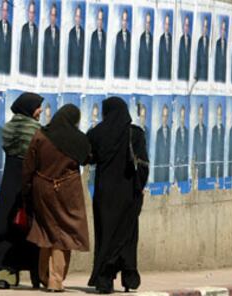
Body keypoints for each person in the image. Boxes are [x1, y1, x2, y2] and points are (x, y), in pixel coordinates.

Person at [0, 92, 43, 289]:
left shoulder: (10, 127)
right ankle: (34, 274)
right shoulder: (35, 130)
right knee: (27, 226)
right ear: (29, 108)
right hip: (27, 178)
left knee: (4, 223)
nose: (39, 111)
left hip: (10, 179)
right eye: (37, 107)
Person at [23, 104, 90, 292]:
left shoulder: (41, 135)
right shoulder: (78, 139)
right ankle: (55, 280)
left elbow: (29, 165)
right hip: (69, 191)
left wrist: (26, 189)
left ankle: (44, 276)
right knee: (63, 234)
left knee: (46, 231)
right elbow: (87, 158)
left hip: (42, 189)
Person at [87, 97, 149, 294]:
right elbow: (144, 166)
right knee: (127, 236)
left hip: (105, 196)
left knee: (106, 236)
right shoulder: (135, 134)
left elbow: (90, 158)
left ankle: (105, 280)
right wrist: (139, 188)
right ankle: (129, 279)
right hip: (128, 194)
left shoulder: (96, 133)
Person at [0, 0, 12, 74]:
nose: (4, 13)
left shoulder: (10, 28)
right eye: (3, 10)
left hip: (7, 69)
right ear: (1, 11)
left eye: (6, 10)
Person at [19, 1, 38, 76]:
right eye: (30, 12)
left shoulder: (37, 30)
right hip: (25, 70)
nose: (31, 15)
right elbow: (22, 50)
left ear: (35, 14)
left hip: (34, 72)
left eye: (33, 12)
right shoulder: (24, 28)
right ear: (28, 13)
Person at [43, 3, 60, 77]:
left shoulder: (59, 32)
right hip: (47, 71)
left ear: (56, 17)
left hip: (56, 72)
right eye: (51, 15)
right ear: (49, 16)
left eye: (54, 15)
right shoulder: (46, 32)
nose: (53, 17)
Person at [154, 104, 170, 182]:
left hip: (168, 171)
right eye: (163, 116)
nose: (165, 118)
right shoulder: (158, 133)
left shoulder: (171, 132)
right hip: (160, 171)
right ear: (161, 116)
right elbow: (157, 155)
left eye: (166, 116)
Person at [67, 5, 84, 77]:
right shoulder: (71, 33)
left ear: (81, 19)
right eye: (77, 16)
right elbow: (69, 54)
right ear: (74, 17)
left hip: (80, 72)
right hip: (72, 71)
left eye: (79, 16)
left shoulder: (83, 33)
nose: (78, 18)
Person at [89, 8, 106, 79]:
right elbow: (91, 57)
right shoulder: (93, 35)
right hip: (94, 74)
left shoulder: (105, 35)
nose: (100, 22)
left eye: (101, 19)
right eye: (98, 19)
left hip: (102, 75)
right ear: (96, 20)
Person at [114, 9, 131, 79]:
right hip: (119, 73)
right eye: (123, 20)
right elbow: (116, 56)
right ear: (121, 21)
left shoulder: (130, 36)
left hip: (127, 74)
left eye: (126, 20)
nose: (124, 22)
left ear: (127, 22)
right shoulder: (118, 36)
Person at [174, 106, 188, 182]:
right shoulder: (177, 132)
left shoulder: (187, 132)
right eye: (181, 117)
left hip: (185, 163)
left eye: (183, 117)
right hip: (179, 165)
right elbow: (176, 148)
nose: (182, 119)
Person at [210, 104, 225, 178]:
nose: (219, 117)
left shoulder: (224, 130)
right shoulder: (213, 130)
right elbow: (212, 148)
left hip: (222, 161)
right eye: (218, 114)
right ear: (216, 115)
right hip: (214, 160)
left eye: (220, 114)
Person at [193, 104, 207, 179]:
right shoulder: (195, 130)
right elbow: (194, 148)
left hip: (204, 161)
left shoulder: (205, 129)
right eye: (200, 114)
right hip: (198, 162)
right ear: (198, 115)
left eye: (202, 114)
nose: (201, 117)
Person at [138, 12, 153, 80]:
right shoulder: (141, 38)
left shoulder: (152, 38)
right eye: (147, 22)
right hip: (142, 74)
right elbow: (140, 58)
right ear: (144, 23)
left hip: (150, 74)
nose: (148, 25)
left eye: (149, 23)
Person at [158, 14, 172, 80]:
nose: (167, 26)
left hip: (169, 74)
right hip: (162, 73)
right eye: (166, 24)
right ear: (164, 25)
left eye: (168, 24)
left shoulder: (172, 39)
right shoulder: (161, 39)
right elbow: (160, 58)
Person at [178, 15, 191, 81]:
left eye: (187, 25)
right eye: (185, 25)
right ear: (183, 27)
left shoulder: (190, 40)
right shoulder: (181, 40)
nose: (186, 27)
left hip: (188, 73)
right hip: (181, 74)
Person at [196, 17, 209, 81]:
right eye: (204, 26)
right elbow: (198, 59)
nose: (205, 29)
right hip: (200, 75)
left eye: (206, 27)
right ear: (202, 28)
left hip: (207, 75)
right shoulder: (199, 41)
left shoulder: (209, 41)